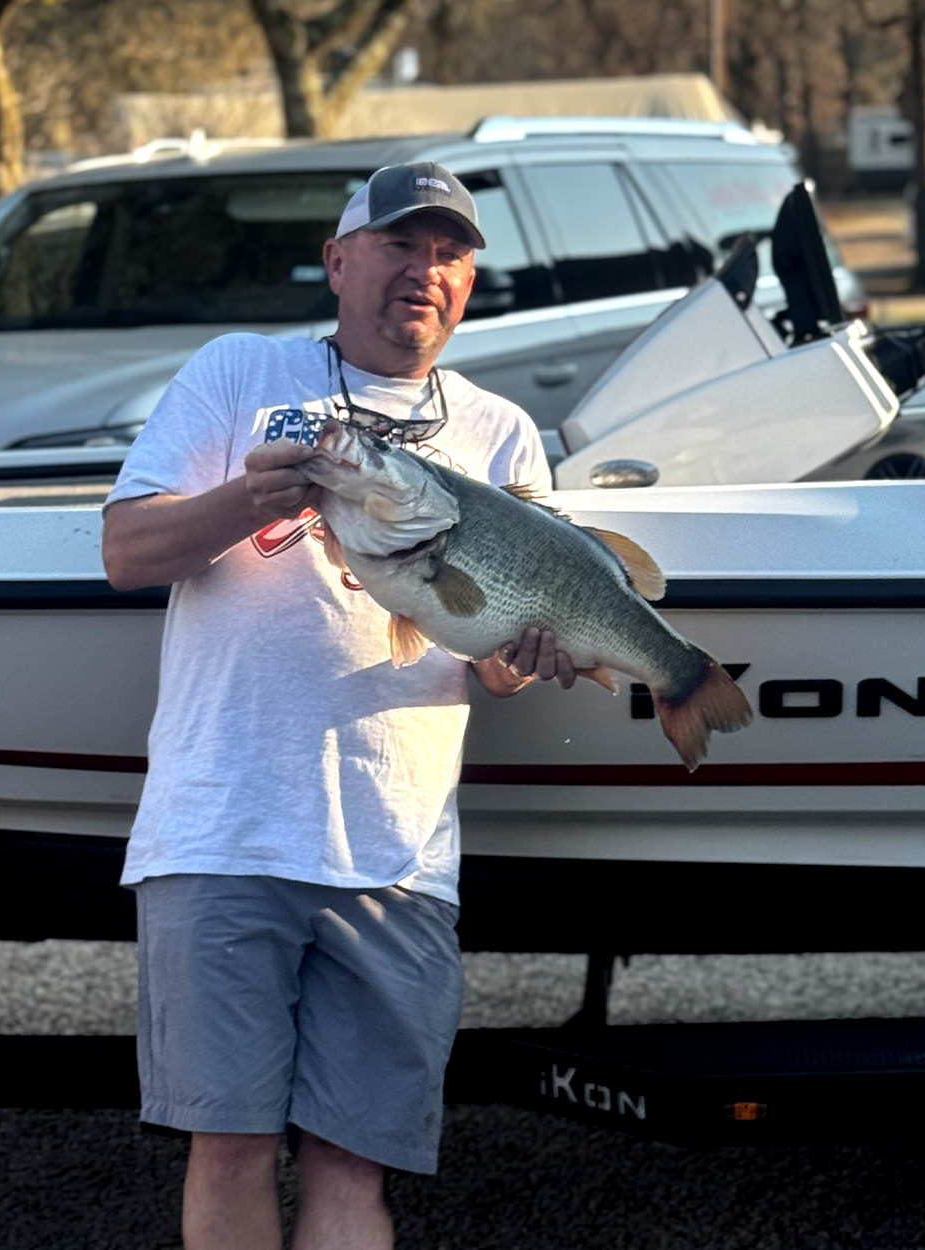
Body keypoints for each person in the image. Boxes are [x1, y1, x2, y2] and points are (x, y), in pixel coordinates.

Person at [101, 161, 576, 1250]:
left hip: (398, 853)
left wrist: (528, 652)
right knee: (227, 1148)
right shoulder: (240, 370)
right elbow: (125, 551)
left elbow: (497, 668)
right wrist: (249, 497)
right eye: (400, 244)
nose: (425, 270)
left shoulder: (500, 432)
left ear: (468, 283)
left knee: (353, 1166)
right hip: (221, 830)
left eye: (449, 254)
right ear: (337, 260)